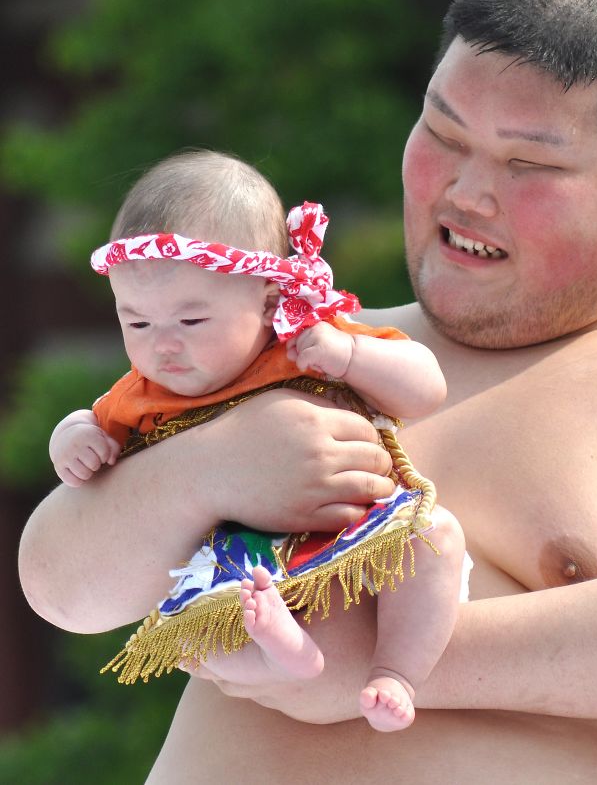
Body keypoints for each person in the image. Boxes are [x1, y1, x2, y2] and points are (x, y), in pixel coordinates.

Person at [19, 0, 597, 783]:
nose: (467, 192)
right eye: (444, 134)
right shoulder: (278, 352)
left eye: (530, 164)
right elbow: (62, 586)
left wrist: (387, 666)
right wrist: (210, 468)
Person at [44, 149, 463, 732]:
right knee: (199, 632)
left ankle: (396, 672)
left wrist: (350, 356)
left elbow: (426, 387)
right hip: (239, 561)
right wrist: (71, 440)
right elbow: (89, 423)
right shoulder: (143, 393)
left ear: (268, 302)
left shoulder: (307, 342)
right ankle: (280, 651)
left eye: (191, 322)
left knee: (437, 540)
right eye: (136, 322)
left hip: (355, 524)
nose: (163, 345)